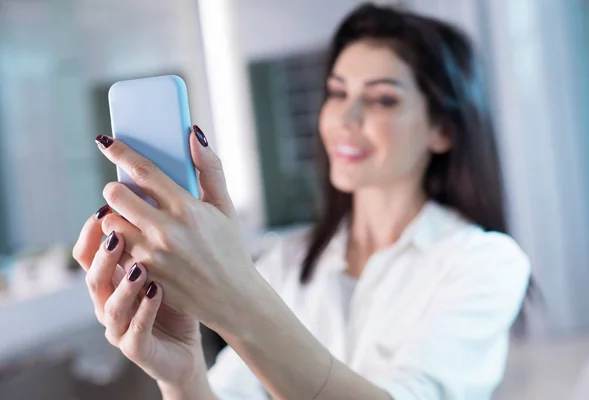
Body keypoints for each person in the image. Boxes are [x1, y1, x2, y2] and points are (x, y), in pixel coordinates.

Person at [73, 4, 531, 400]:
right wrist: (184, 373)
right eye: (337, 93)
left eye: (383, 99)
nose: (345, 118)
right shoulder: (286, 264)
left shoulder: (485, 262)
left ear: (443, 130)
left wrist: (235, 297)